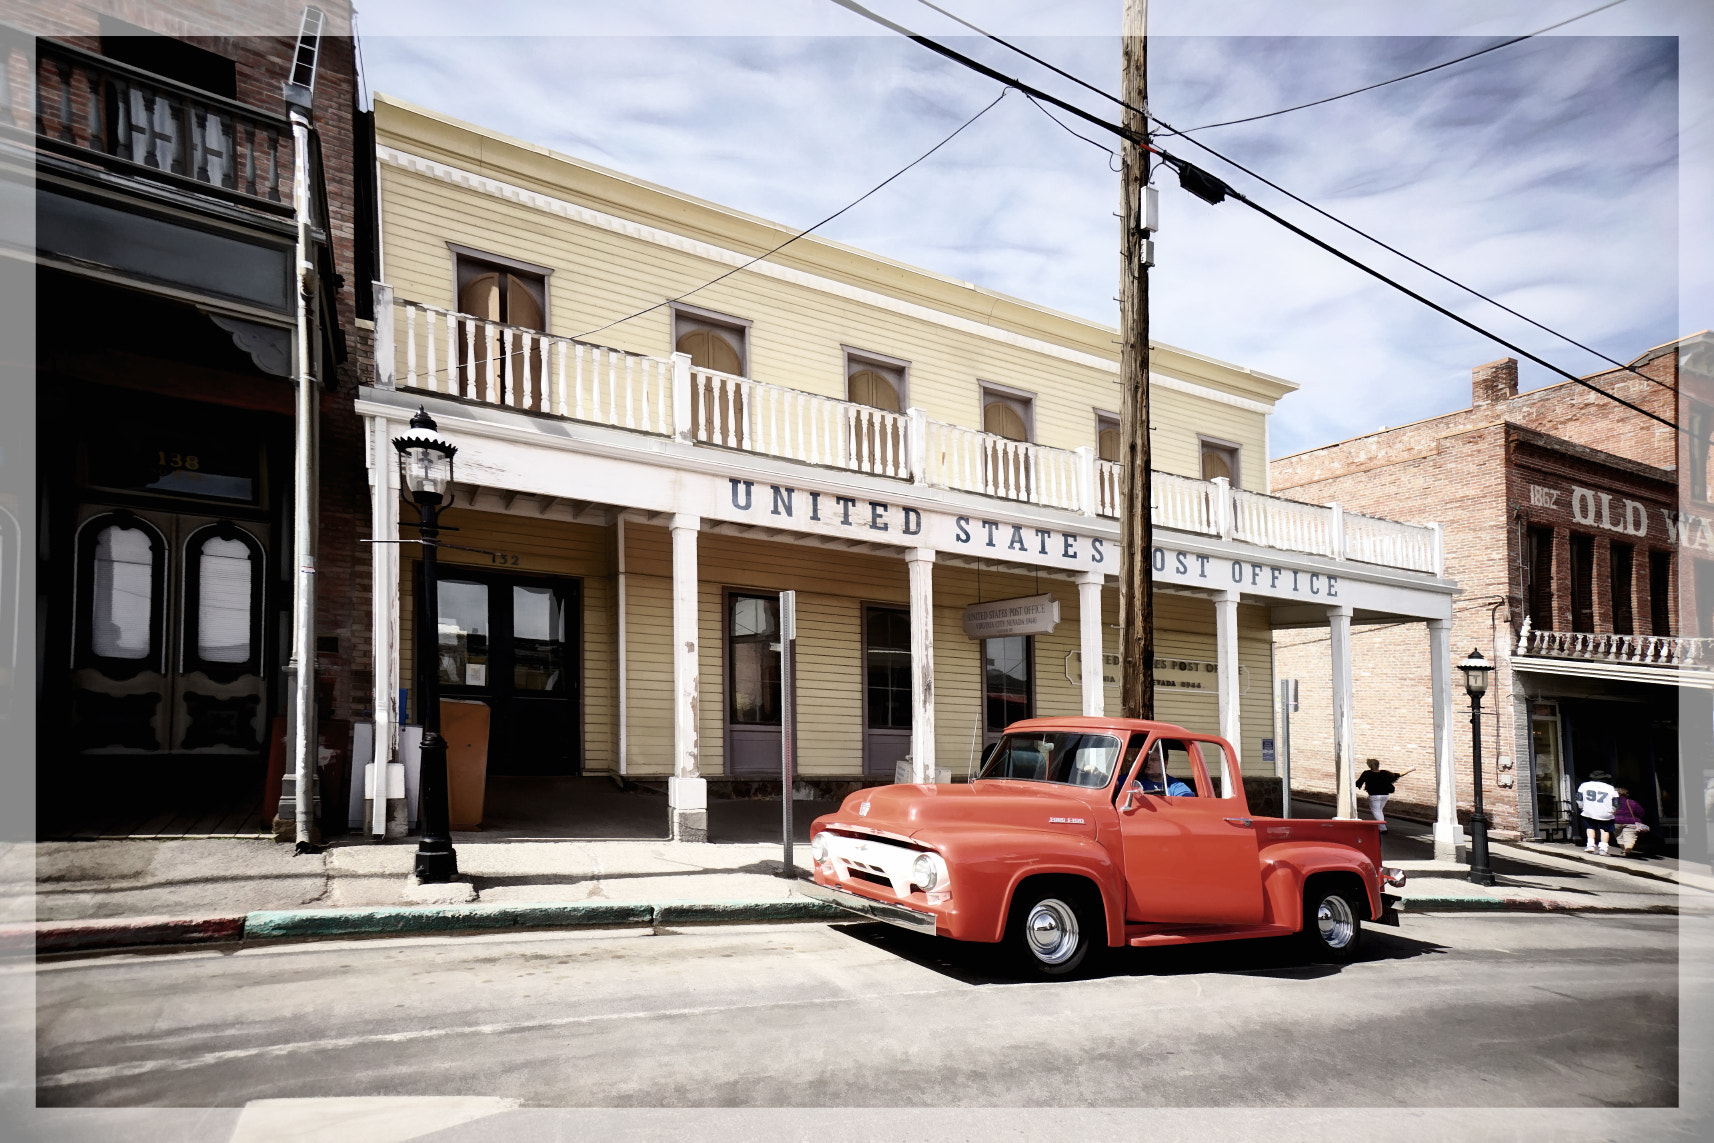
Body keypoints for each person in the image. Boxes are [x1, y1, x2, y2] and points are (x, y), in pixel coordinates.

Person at [1355, 758, 1408, 833]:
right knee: (1379, 811)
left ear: (1369, 765)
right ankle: (1381, 827)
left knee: (1376, 811)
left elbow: (1358, 783)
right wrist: (1410, 769)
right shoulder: (1385, 773)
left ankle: (1383, 828)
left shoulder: (1367, 773)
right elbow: (1398, 775)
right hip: (1385, 796)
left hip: (1374, 796)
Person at [1577, 769, 1618, 855]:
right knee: (1605, 830)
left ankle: (1590, 845)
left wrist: (1582, 807)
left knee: (1590, 827)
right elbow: (1616, 803)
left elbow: (1579, 798)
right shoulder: (1610, 788)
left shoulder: (1584, 785)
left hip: (1589, 811)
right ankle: (1603, 848)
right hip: (1605, 812)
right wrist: (1613, 811)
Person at [1612, 787, 1649, 857]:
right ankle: (1627, 849)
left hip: (1615, 822)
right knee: (1630, 837)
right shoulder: (1631, 802)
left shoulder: (1612, 802)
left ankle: (1624, 849)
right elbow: (1641, 813)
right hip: (1631, 823)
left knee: (1619, 837)